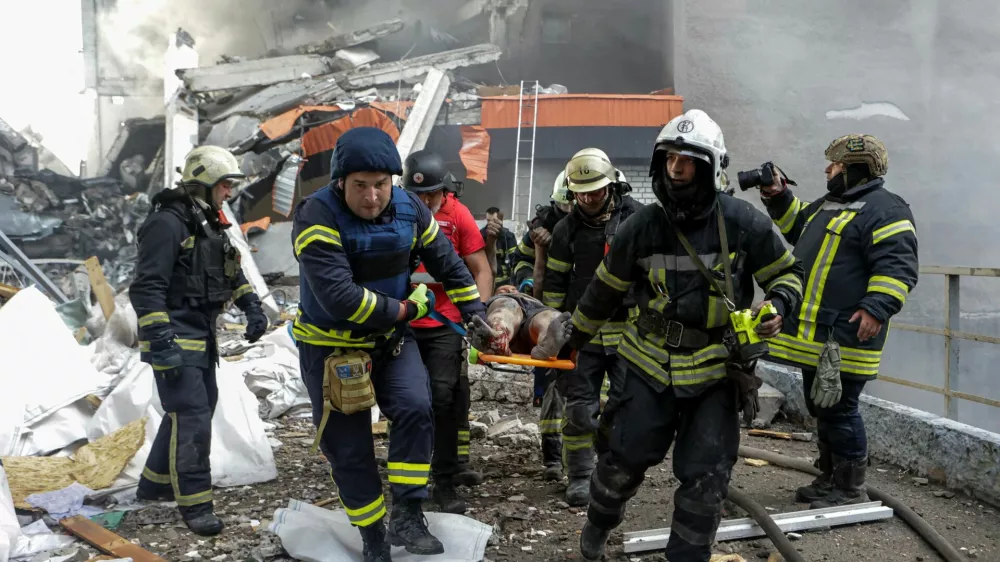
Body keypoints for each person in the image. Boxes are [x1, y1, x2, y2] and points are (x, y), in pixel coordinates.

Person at [562, 109, 804, 562]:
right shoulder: (642, 226)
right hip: (647, 363)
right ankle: (598, 525)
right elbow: (602, 293)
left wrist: (779, 307)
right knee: (622, 461)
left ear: (710, 167)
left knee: (706, 478)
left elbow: (789, 275)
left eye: (687, 161)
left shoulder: (743, 223)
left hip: (715, 370)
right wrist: (570, 341)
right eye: (670, 159)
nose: (676, 170)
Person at [292, 128, 487, 561]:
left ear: (393, 181)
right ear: (341, 181)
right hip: (333, 350)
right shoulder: (315, 215)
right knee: (350, 447)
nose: (373, 196)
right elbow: (340, 299)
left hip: (391, 344)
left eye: (381, 184)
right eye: (361, 185)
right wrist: (406, 312)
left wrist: (476, 313)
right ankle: (372, 534)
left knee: (418, 409)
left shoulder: (410, 207)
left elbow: (449, 265)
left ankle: (408, 513)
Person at [759, 134, 918, 509]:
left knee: (840, 408)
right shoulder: (832, 205)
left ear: (852, 170)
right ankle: (830, 478)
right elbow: (797, 225)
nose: (828, 171)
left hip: (847, 335)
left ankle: (849, 489)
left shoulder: (886, 209)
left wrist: (877, 307)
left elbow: (898, 266)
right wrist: (778, 194)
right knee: (822, 406)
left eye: (835, 166)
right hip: (820, 337)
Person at [130, 145, 269, 536]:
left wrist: (252, 307)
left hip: (201, 338)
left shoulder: (208, 222)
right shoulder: (167, 223)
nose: (229, 192)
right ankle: (196, 505)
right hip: (173, 338)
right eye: (225, 184)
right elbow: (146, 288)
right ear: (205, 182)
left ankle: (154, 485)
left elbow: (230, 271)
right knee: (192, 417)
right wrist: (160, 340)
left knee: (194, 410)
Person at [542, 148, 643, 506]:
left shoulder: (637, 220)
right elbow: (554, 284)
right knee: (580, 408)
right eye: (581, 192)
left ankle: (616, 471)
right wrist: (552, 330)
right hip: (583, 333)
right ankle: (581, 476)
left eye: (595, 191)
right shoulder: (566, 229)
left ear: (612, 186)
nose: (588, 199)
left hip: (631, 333)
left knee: (626, 406)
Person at [403, 150, 492, 514]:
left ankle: (444, 480)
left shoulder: (457, 215)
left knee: (443, 398)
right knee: (408, 402)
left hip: (445, 324)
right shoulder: (394, 213)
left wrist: (477, 316)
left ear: (445, 191)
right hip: (402, 323)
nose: (425, 202)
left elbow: (480, 270)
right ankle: (408, 479)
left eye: (432, 195)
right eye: (418, 195)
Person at [481, 207, 517, 289]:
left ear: (500, 221)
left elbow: (514, 260)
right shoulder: (480, 235)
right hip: (486, 281)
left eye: (493, 221)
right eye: (488, 221)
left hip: (505, 282)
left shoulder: (508, 236)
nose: (490, 224)